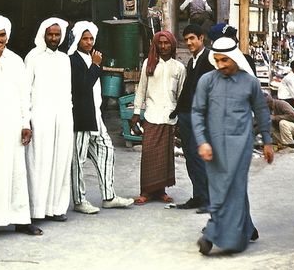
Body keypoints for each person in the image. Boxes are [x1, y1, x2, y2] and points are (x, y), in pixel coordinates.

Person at [192, 35, 274, 255]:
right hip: (214, 146)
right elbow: (197, 112)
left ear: (234, 58)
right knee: (219, 189)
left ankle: (211, 235)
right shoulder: (207, 81)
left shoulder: (251, 82)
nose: (220, 65)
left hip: (242, 145)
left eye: (224, 61)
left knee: (233, 189)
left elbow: (262, 111)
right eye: (216, 60)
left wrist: (267, 141)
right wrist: (202, 141)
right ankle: (246, 227)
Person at [0, 14, 42, 237]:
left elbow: (24, 94)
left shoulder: (15, 60)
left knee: (16, 173)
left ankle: (21, 220)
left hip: (13, 124)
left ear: (8, 36)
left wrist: (25, 123)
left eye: (2, 35)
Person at [69, 20, 134, 214]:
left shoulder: (90, 58)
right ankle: (79, 201)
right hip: (81, 117)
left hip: (95, 117)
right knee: (78, 162)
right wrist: (96, 66)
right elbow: (81, 88)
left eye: (91, 39)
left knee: (107, 151)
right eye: (85, 39)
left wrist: (95, 64)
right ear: (77, 40)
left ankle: (109, 197)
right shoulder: (72, 59)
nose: (89, 42)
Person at [24, 17, 73, 222]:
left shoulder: (64, 59)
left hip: (62, 116)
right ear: (43, 34)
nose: (53, 38)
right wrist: (26, 120)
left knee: (60, 162)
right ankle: (36, 210)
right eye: (50, 34)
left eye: (57, 35)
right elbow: (25, 91)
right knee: (39, 164)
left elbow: (68, 91)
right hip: (40, 117)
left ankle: (56, 208)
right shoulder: (33, 57)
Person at [130, 30, 186, 205]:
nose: (163, 46)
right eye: (160, 43)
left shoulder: (179, 68)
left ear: (172, 45)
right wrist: (136, 113)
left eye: (166, 43)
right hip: (152, 116)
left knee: (164, 157)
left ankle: (161, 191)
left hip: (169, 117)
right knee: (149, 155)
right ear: (155, 45)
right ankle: (146, 191)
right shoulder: (149, 63)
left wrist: (180, 118)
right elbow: (141, 89)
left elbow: (181, 95)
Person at [174, 24, 214, 213]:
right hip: (186, 115)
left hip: (200, 116)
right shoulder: (192, 61)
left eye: (192, 38)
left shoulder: (210, 59)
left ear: (201, 38)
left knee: (201, 158)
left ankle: (207, 198)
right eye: (186, 39)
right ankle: (198, 196)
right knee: (191, 158)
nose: (189, 42)